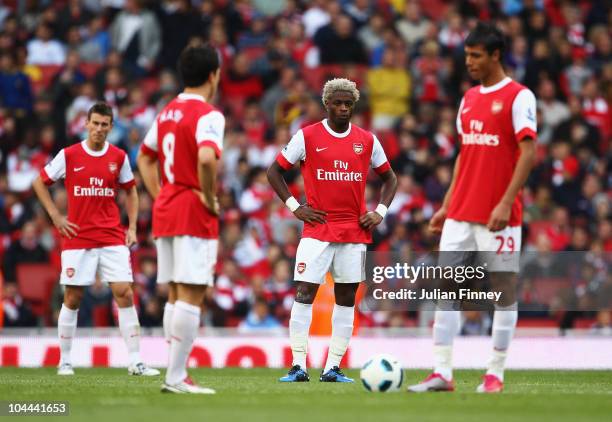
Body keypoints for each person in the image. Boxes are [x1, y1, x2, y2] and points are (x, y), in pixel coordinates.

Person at [407, 23, 537, 394]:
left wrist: (507, 200)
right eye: (467, 55)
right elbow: (465, 155)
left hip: (499, 215)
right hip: (461, 212)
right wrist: (447, 204)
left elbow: (528, 152)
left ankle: (494, 374)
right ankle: (442, 373)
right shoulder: (468, 98)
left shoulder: (519, 96)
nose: (469, 62)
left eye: (476, 55)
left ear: (496, 55)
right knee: (446, 289)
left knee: (502, 290)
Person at [267, 78, 398, 383]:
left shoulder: (366, 140)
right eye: (337, 103)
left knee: (347, 297)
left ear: (353, 106)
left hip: (353, 232)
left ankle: (332, 367)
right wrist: (294, 207)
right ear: (326, 104)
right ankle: (299, 365)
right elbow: (274, 171)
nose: (342, 108)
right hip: (317, 230)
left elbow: (390, 178)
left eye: (348, 104)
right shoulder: (307, 136)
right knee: (304, 292)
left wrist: (379, 212)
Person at [32, 102, 159, 377]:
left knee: (124, 292)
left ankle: (135, 361)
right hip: (78, 237)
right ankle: (65, 360)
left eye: (105, 124)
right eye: (95, 123)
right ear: (86, 124)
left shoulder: (119, 156)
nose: (99, 129)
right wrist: (55, 216)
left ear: (111, 127)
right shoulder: (69, 155)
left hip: (112, 235)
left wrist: (133, 227)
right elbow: (39, 182)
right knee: (73, 297)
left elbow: (131, 191)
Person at [137, 44, 224, 394]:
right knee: (192, 291)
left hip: (167, 207)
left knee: (175, 292)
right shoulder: (209, 114)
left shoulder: (167, 111)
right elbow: (206, 158)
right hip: (190, 207)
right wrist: (207, 194)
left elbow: (144, 158)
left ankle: (175, 373)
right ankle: (175, 377)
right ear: (213, 75)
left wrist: (161, 194)